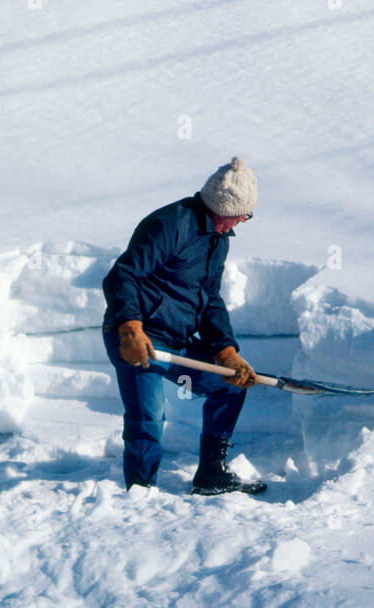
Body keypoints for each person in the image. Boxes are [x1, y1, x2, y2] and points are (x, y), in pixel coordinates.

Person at [102, 156, 266, 496]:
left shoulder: (218, 237)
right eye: (237, 216)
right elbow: (123, 275)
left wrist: (226, 351)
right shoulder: (171, 224)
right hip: (138, 339)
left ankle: (211, 473)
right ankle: (140, 488)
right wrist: (130, 328)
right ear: (218, 206)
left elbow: (210, 298)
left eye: (244, 218)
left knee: (230, 385)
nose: (239, 224)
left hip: (175, 342)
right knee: (149, 416)